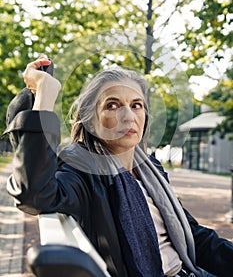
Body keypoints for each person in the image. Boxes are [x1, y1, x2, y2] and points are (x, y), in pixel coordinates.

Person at [4, 54, 233, 277]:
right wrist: (44, 93)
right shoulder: (83, 171)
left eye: (136, 105)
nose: (129, 116)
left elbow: (192, 235)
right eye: (112, 106)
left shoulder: (150, 168)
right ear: (91, 120)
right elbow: (34, 192)